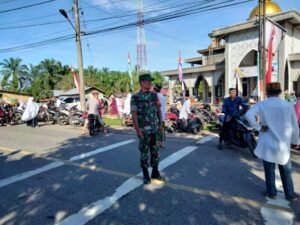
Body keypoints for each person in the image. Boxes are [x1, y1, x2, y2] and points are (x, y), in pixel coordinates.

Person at [245, 83, 299, 202]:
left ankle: (271, 193)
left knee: (269, 170)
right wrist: (296, 141)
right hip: (283, 143)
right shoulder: (288, 105)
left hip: (267, 141)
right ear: (280, 92)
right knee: (286, 170)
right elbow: (294, 125)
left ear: (267, 92)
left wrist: (259, 127)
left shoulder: (262, 104)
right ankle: (290, 195)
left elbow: (248, 115)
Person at [131, 73, 164, 185]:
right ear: (142, 82)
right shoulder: (135, 97)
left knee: (155, 152)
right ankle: (145, 174)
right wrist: (138, 130)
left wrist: (160, 125)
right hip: (144, 130)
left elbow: (158, 110)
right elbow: (134, 115)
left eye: (151, 81)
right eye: (148, 81)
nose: (151, 83)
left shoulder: (154, 95)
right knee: (144, 153)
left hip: (155, 129)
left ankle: (155, 172)